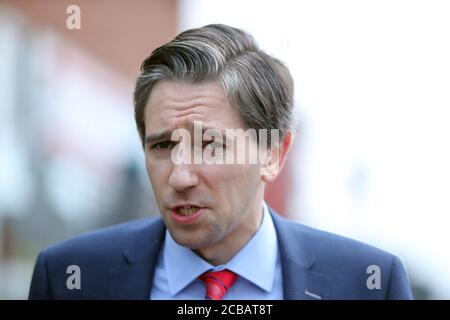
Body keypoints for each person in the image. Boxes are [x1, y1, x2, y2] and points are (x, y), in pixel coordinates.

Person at [29, 24, 413, 300]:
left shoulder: (367, 284)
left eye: (209, 145)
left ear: (273, 154)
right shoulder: (70, 277)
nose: (179, 177)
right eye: (162, 146)